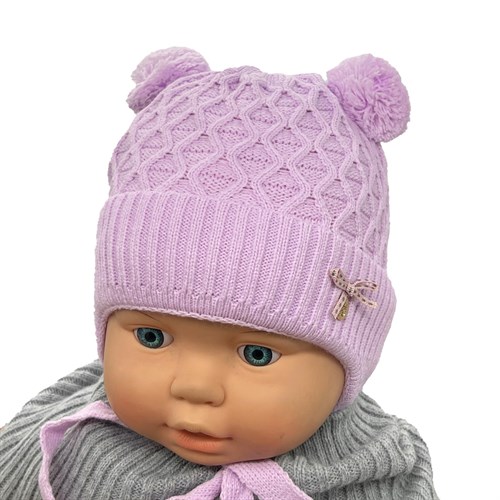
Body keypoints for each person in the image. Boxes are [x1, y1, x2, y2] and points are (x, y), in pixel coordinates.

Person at [0, 47, 438, 499]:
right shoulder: (69, 444)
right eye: (151, 336)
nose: (194, 387)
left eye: (258, 354)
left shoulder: (381, 473)